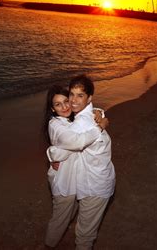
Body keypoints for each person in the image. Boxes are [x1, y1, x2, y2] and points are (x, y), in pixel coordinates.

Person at [47, 75, 116, 250]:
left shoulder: (82, 122)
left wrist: (51, 152)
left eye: (80, 95)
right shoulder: (88, 117)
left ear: (89, 98)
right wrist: (100, 119)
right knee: (78, 226)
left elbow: (69, 146)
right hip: (92, 181)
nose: (73, 101)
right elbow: (74, 139)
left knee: (84, 236)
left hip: (95, 185)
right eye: (72, 94)